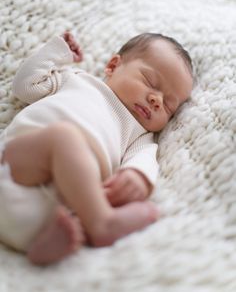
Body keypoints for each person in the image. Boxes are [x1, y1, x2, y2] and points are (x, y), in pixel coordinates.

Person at [0, 32, 193, 265]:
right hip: (16, 169)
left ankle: (45, 244)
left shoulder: (140, 136)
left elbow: (145, 160)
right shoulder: (76, 79)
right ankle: (102, 222)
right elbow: (25, 86)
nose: (157, 100)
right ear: (113, 65)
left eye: (169, 105)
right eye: (150, 82)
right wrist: (58, 53)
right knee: (64, 136)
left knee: (142, 209)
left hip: (55, 210)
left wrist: (137, 176)